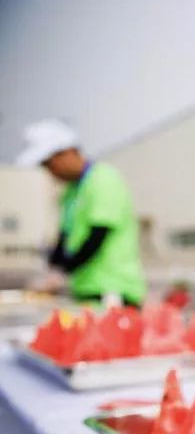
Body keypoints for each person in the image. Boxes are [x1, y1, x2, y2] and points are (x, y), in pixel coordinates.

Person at [17, 119, 146, 307]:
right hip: (86, 288)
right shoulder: (71, 192)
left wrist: (63, 271)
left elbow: (97, 237)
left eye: (50, 165)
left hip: (113, 290)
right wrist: (54, 266)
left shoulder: (103, 179)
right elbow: (65, 237)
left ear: (67, 152)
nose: (51, 172)